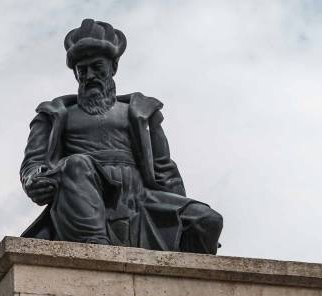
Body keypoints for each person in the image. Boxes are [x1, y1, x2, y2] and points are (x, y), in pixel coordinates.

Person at [20, 19, 223, 254]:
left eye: (97, 67)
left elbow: (164, 168)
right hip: (83, 192)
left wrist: (179, 213)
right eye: (82, 70)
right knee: (76, 163)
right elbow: (33, 164)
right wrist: (35, 179)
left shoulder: (142, 113)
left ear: (113, 67)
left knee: (207, 220)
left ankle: (184, 280)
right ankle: (96, 249)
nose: (89, 75)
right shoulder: (54, 115)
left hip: (139, 197)